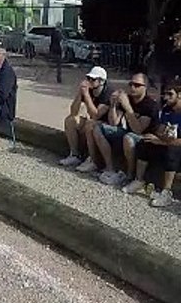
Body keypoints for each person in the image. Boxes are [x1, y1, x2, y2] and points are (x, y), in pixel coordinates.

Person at [122, 80, 181, 208]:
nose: (166, 98)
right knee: (146, 142)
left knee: (172, 151)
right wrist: (159, 137)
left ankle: (166, 193)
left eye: (170, 94)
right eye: (165, 94)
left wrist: (162, 141)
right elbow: (160, 130)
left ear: (180, 95)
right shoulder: (166, 110)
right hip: (168, 142)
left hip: (177, 148)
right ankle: (139, 180)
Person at [58, 66, 112, 167]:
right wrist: (80, 94)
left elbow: (96, 115)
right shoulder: (89, 90)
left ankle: (92, 160)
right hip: (91, 123)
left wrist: (86, 95)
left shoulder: (107, 93)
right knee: (70, 120)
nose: (89, 81)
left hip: (104, 125)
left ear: (101, 81)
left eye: (93, 79)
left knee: (90, 124)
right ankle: (74, 155)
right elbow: (73, 112)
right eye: (88, 78)